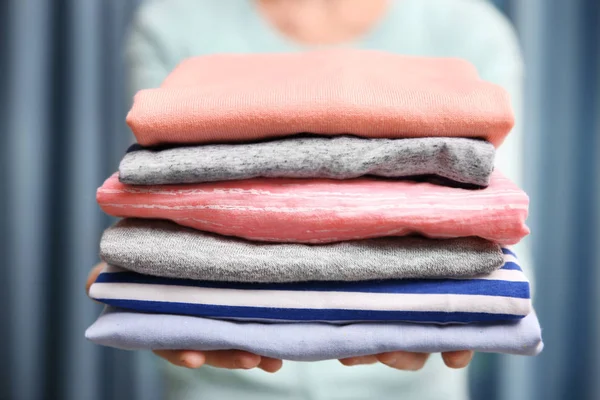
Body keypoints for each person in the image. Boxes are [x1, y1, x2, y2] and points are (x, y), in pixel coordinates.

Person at [87, 0, 528, 398]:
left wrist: (468, 310)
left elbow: (491, 220)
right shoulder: (172, 22)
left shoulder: (469, 30)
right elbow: (156, 193)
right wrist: (139, 285)